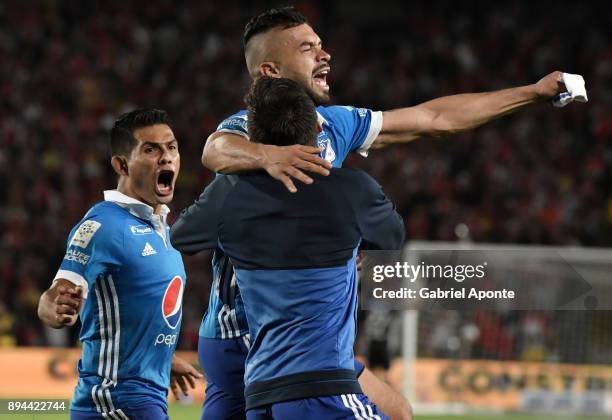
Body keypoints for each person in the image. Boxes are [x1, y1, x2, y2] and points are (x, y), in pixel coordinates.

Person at [195, 5, 586, 419]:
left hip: (297, 339)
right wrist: (269, 156)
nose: (324, 55)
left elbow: (433, 117)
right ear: (270, 72)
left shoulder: (335, 125)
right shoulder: (246, 127)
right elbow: (213, 149)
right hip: (243, 336)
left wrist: (531, 92)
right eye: (308, 48)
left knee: (397, 409)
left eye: (321, 45)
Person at [171, 76, 405, 419]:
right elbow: (391, 237)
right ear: (315, 131)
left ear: (257, 137)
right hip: (323, 384)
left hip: (261, 387)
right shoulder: (354, 190)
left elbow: (183, 236)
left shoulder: (230, 193)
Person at [37, 109, 202, 420]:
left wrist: (162, 358)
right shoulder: (105, 225)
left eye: (172, 147)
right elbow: (57, 292)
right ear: (122, 164)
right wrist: (54, 307)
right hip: (116, 400)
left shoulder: (162, 227)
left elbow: (135, 309)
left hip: (143, 396)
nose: (166, 157)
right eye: (151, 149)